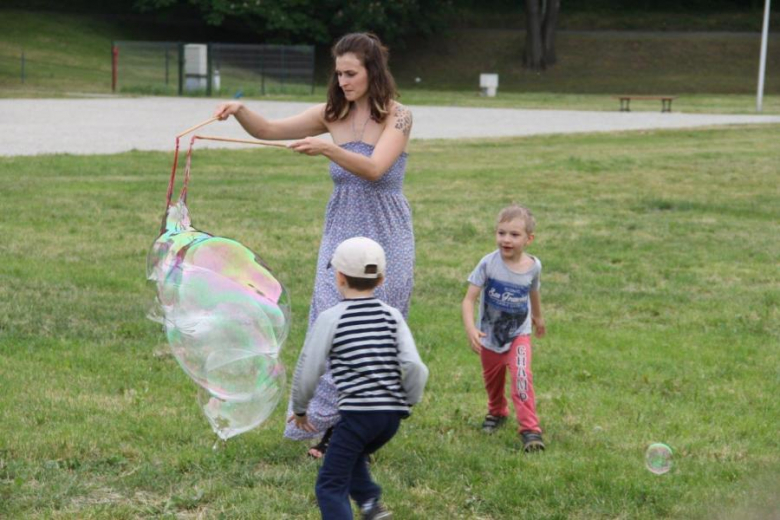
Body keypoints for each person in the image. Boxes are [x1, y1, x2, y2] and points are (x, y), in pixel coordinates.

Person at [214, 32, 415, 458]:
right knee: (330, 326)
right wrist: (240, 111)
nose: (343, 81)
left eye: (351, 73)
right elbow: (268, 130)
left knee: (373, 332)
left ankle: (351, 429)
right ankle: (325, 423)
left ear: (372, 71)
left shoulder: (399, 117)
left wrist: (328, 149)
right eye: (338, 73)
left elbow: (376, 169)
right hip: (341, 233)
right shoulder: (331, 113)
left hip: (386, 235)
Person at [289, 237, 428, 520]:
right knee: (350, 456)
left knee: (330, 485)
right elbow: (415, 366)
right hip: (390, 418)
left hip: (357, 417)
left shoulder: (331, 318)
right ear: (381, 279)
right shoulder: (392, 316)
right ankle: (369, 504)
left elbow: (309, 368)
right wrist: (408, 401)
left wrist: (300, 409)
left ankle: (367, 502)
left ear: (339, 277)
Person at [461, 204, 547, 453]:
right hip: (489, 335)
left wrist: (538, 317)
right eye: (501, 233)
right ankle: (497, 411)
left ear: (529, 239)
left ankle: (530, 429)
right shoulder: (488, 264)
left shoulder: (533, 266)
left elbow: (534, 290)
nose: (506, 239)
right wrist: (471, 329)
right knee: (493, 381)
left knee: (522, 376)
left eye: (514, 234)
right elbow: (468, 300)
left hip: (519, 334)